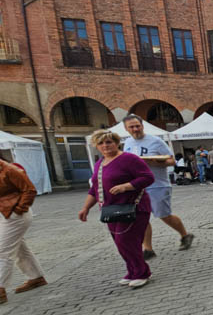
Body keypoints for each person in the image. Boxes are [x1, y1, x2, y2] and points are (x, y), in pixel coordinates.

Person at [0, 138, 46, 303]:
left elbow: (29, 190)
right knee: (19, 248)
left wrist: (18, 210)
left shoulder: (9, 169)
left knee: (2, 251)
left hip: (11, 215)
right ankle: (36, 277)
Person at [78, 130, 154, 288]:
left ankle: (142, 272)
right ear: (96, 146)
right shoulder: (100, 163)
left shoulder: (129, 159)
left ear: (117, 143)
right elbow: (94, 189)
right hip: (111, 210)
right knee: (120, 243)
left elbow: (148, 177)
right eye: (101, 143)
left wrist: (126, 186)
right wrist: (86, 207)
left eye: (109, 142)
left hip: (133, 207)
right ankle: (132, 271)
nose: (105, 146)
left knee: (126, 240)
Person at [121, 114, 195, 259]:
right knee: (141, 218)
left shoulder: (156, 141)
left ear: (142, 126)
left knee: (163, 215)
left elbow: (172, 161)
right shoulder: (128, 142)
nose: (135, 129)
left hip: (157, 185)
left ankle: (185, 235)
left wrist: (153, 162)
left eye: (137, 126)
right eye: (131, 127)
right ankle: (148, 249)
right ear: (126, 129)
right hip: (137, 187)